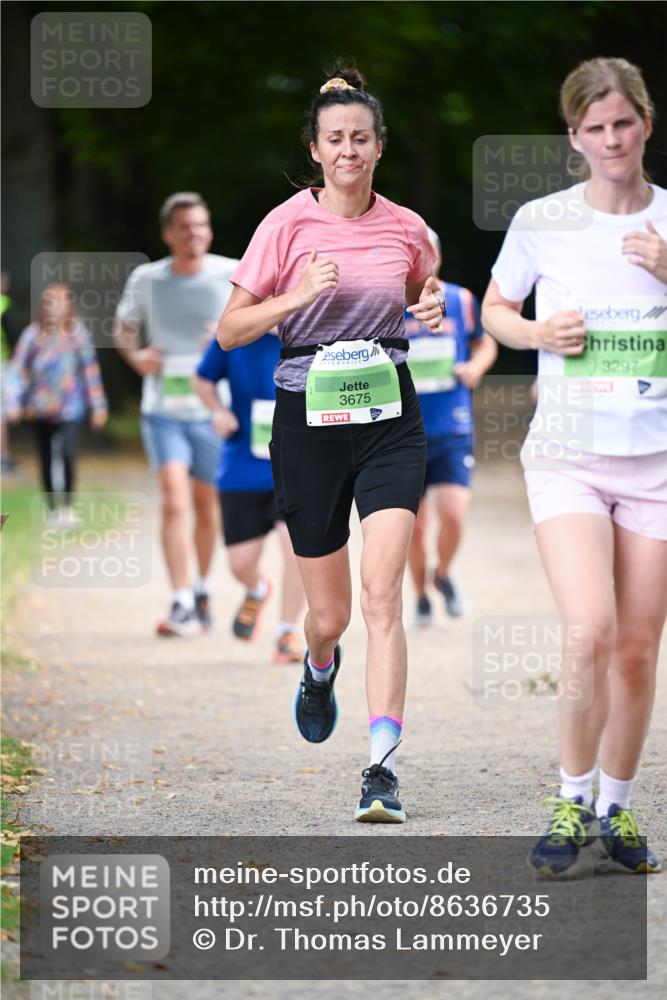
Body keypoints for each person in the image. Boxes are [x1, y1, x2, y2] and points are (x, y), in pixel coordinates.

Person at [218, 66, 445, 823]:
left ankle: (379, 769)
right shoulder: (283, 226)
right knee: (332, 618)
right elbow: (230, 331)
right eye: (334, 139)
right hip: (308, 427)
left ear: (379, 146)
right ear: (315, 150)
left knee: (383, 594)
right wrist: (296, 295)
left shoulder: (407, 227)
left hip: (389, 423)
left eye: (360, 138)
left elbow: (419, 292)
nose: (348, 150)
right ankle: (319, 669)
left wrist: (430, 306)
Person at [482, 58, 667, 874]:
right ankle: (569, 796)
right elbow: (494, 310)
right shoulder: (542, 220)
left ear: (645, 125)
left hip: (656, 460)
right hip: (567, 458)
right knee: (588, 626)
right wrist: (535, 334)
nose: (610, 139)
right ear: (574, 137)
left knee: (635, 646)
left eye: (622, 123)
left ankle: (616, 810)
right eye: (593, 128)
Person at [115, 192, 238, 637]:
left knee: (207, 504)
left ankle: (202, 588)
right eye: (185, 227)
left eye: (201, 225)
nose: (195, 234)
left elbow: (258, 326)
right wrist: (138, 356)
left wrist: (227, 337)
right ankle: (180, 598)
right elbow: (123, 330)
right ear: (168, 233)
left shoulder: (231, 273)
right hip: (163, 409)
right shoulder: (147, 279)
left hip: (211, 410)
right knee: (173, 497)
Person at [194, 333, 306, 662]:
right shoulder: (233, 334)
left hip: (296, 465)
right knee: (240, 564)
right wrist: (217, 411)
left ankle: (287, 632)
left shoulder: (309, 329)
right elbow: (203, 379)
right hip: (243, 465)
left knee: (296, 550)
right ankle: (257, 588)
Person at [406, 228, 497, 625]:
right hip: (405, 430)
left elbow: (485, 341)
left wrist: (474, 368)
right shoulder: (391, 303)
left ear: (437, 256)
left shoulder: (460, 300)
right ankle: (421, 595)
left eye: (427, 253)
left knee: (455, 515)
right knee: (415, 524)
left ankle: (441, 574)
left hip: (453, 425)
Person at [6, 282, 108, 519]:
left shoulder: (77, 334)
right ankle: (52, 508)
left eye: (59, 302)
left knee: (69, 454)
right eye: (49, 303)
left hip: (70, 408)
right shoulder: (32, 335)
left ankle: (68, 507)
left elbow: (89, 371)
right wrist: (13, 403)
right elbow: (17, 371)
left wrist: (98, 406)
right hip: (39, 409)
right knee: (45, 457)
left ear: (68, 306)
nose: (53, 308)